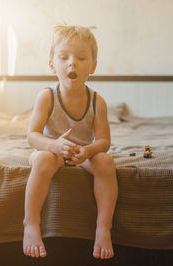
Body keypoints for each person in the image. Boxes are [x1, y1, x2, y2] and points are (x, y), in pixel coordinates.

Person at [23, 25, 118, 260]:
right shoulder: (46, 97)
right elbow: (32, 135)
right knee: (43, 159)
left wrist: (88, 151)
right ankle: (30, 223)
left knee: (106, 163)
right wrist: (53, 145)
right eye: (64, 57)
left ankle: (103, 228)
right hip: (52, 151)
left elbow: (104, 141)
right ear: (52, 64)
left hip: (82, 154)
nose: (72, 63)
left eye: (81, 57)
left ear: (93, 65)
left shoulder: (98, 102)